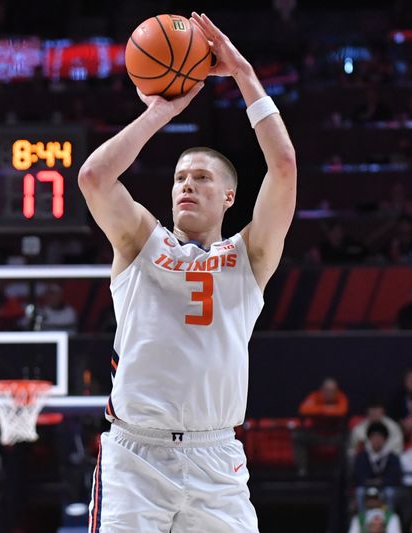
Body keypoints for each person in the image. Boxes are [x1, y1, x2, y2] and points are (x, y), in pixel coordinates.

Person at [78, 13, 297, 531]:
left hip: (216, 456)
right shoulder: (140, 242)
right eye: (179, 177)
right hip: (136, 456)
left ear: (229, 196)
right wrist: (161, 110)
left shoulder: (251, 256)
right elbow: (93, 177)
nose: (186, 185)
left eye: (201, 177)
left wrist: (243, 73)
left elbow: (284, 165)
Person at [352, 422, 404, 512]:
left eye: (380, 437)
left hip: (385, 487)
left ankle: (388, 519)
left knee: (390, 493)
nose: (377, 440)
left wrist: (382, 481)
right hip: (366, 486)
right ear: (369, 439)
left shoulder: (392, 457)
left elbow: (395, 476)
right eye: (374, 437)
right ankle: (362, 519)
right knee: (359, 492)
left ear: (385, 439)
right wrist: (369, 482)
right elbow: (358, 474)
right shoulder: (362, 456)